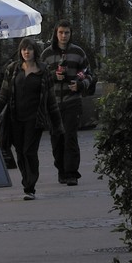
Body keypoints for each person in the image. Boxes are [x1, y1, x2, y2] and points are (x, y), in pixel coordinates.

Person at [0, 38, 56, 200]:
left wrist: (57, 124)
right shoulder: (13, 70)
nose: (26, 52)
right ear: (20, 51)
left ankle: (30, 186)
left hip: (35, 119)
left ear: (35, 51)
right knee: (20, 152)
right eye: (24, 49)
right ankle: (27, 181)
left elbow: (51, 99)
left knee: (29, 151)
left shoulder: (43, 71)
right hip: (15, 118)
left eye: (29, 49)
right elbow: (4, 94)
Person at [42, 20, 94, 185]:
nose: (63, 36)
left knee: (70, 137)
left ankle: (71, 173)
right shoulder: (47, 54)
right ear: (56, 33)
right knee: (57, 139)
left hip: (72, 102)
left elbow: (89, 74)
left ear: (71, 34)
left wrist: (79, 85)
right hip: (53, 104)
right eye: (61, 32)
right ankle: (62, 170)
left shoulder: (78, 52)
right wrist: (52, 76)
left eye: (67, 33)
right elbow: (40, 78)